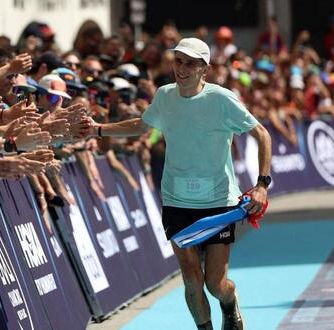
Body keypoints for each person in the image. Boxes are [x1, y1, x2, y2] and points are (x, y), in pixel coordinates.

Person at [89, 38, 272, 330]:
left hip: (219, 204)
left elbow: (262, 134)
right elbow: (140, 125)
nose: (182, 69)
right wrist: (97, 130)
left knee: (215, 283)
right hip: (176, 202)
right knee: (190, 278)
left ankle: (230, 300)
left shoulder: (222, 99)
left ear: (204, 69)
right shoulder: (164, 96)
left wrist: (262, 184)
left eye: (190, 63)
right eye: (178, 61)